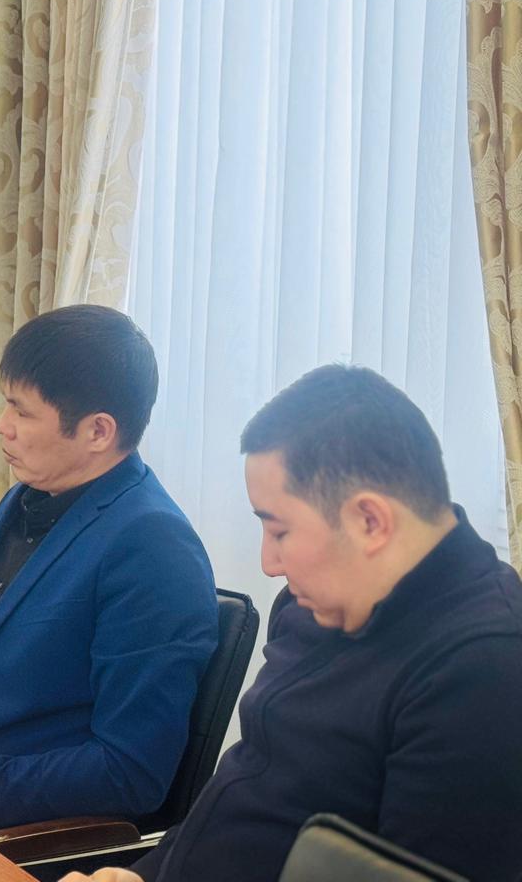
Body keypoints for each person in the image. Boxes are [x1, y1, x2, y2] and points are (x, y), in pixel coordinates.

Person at [65, 365, 522, 882]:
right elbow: (247, 795)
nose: (268, 563)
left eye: (280, 531)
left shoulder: (484, 669)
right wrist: (143, 875)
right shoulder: (314, 604)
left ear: (370, 521)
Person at [0, 305, 217, 832]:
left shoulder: (153, 547)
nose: (1, 426)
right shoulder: (27, 497)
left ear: (98, 431)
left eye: (22, 412)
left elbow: (130, 771)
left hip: (8, 839)